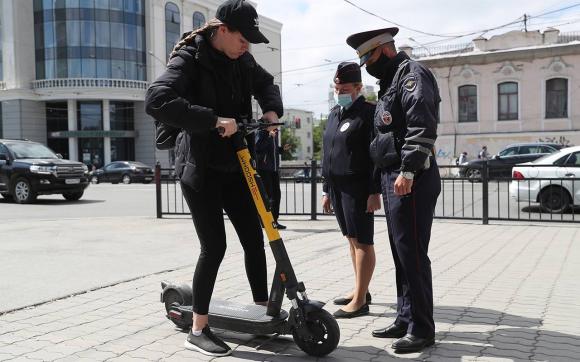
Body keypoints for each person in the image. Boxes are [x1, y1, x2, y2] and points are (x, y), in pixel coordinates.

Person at [145, 0, 283, 357]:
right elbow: (157, 99)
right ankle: (198, 328)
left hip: (235, 163)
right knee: (215, 247)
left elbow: (267, 85)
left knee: (254, 239)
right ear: (222, 31)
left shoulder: (243, 60)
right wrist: (212, 120)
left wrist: (270, 109)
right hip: (200, 168)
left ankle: (261, 315)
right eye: (242, 37)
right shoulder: (190, 59)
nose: (247, 45)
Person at [346, 27, 441, 353]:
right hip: (394, 178)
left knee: (412, 254)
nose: (367, 66)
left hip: (411, 177)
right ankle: (405, 317)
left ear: (384, 50)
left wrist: (409, 170)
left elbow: (422, 124)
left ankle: (422, 329)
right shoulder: (391, 81)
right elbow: (383, 137)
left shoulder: (412, 75)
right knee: (402, 254)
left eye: (368, 58)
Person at [322, 62, 381, 319]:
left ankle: (360, 301)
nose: (340, 91)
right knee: (351, 240)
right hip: (337, 187)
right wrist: (326, 190)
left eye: (344, 88)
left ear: (358, 87)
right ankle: (361, 289)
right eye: (337, 87)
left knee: (363, 243)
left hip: (358, 187)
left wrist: (374, 191)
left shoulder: (369, 113)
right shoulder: (336, 113)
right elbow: (328, 152)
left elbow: (376, 155)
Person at [255, 127, 290, 229]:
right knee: (267, 196)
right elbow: (257, 147)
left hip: (274, 169)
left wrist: (282, 149)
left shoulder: (274, 131)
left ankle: (274, 221)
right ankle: (264, 221)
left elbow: (273, 150)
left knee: (276, 196)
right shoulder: (262, 131)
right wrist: (269, 136)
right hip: (264, 169)